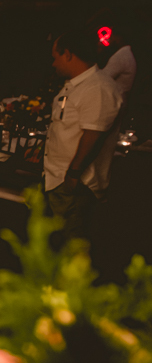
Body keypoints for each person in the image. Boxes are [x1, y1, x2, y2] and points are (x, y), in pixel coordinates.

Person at [44, 26, 122, 240]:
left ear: (68, 54)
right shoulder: (75, 85)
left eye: (56, 57)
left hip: (77, 184)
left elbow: (93, 135)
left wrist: (73, 175)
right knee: (54, 245)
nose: (53, 64)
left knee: (71, 245)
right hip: (57, 178)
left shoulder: (98, 87)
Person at [102, 27, 137, 101]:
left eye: (111, 36)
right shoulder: (128, 53)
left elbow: (103, 78)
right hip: (121, 99)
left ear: (118, 37)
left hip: (115, 100)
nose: (109, 40)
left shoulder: (121, 55)